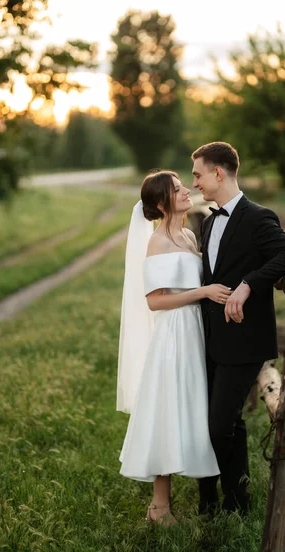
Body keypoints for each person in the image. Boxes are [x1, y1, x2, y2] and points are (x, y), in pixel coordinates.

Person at [117, 170, 231, 525]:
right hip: (173, 336)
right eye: (177, 189)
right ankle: (159, 507)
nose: (186, 191)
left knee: (187, 410)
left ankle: (186, 499)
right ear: (162, 202)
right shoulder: (158, 242)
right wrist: (203, 293)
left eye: (184, 185)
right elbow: (155, 301)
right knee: (167, 411)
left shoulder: (187, 235)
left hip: (194, 332)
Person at [191, 141, 285, 516]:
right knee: (224, 422)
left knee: (219, 425)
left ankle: (230, 499)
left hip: (246, 340)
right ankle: (231, 502)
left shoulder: (258, 216)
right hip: (210, 339)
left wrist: (250, 283)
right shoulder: (206, 221)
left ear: (218, 172)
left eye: (198, 174)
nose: (195, 183)